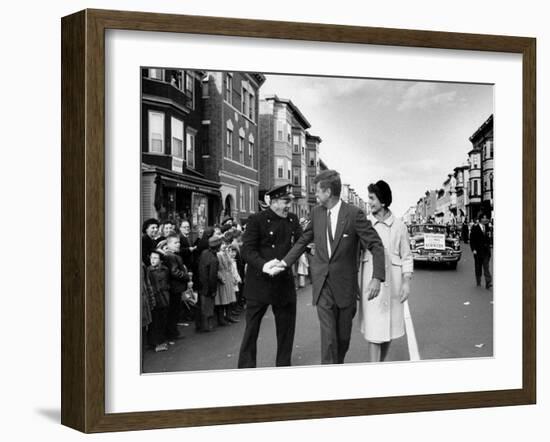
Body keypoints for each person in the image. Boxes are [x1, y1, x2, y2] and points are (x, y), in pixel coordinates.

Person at [275, 170, 385, 364]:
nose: (315, 194)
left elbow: (376, 245)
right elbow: (303, 241)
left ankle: (337, 366)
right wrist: (283, 263)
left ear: (327, 192)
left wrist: (377, 277)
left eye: (317, 191)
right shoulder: (316, 213)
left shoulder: (354, 214)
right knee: (328, 338)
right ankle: (329, 377)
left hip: (345, 288)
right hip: (322, 284)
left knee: (342, 339)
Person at [237, 184, 303, 368]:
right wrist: (264, 265)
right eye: (285, 201)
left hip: (283, 283)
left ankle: (283, 367)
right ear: (273, 202)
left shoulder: (292, 220)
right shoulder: (257, 220)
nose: (289, 205)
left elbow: (301, 243)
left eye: (289, 201)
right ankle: (245, 370)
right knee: (251, 330)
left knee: (286, 331)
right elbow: (246, 250)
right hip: (259, 283)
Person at [359, 180, 413, 362]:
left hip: (394, 284)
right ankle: (375, 369)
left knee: (389, 330)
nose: (369, 202)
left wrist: (406, 282)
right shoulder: (365, 224)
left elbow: (406, 257)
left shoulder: (399, 226)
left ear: (382, 201)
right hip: (371, 282)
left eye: (372, 198)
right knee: (374, 331)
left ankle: (380, 364)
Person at [163, 233, 191, 343]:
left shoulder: (172, 255)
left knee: (174, 311)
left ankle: (173, 332)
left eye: (178, 242)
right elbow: (174, 272)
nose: (178, 244)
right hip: (175, 287)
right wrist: (186, 276)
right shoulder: (171, 256)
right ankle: (172, 333)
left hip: (175, 287)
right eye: (175, 243)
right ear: (169, 244)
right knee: (173, 311)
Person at [146, 250, 171, 352]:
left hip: (164, 297)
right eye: (151, 258)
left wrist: (166, 289)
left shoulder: (165, 269)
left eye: (155, 258)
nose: (153, 260)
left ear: (161, 260)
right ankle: (155, 343)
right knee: (155, 321)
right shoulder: (148, 270)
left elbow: (167, 282)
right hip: (155, 298)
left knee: (163, 319)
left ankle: (161, 340)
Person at [198, 235, 222, 332]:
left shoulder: (204, 253)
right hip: (208, 286)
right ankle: (207, 326)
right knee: (209, 307)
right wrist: (213, 290)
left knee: (203, 306)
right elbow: (212, 277)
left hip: (201, 283)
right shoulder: (214, 259)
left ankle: (202, 325)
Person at [214, 237, 239, 325]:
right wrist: (221, 277)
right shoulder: (218, 255)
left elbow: (230, 266)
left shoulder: (225, 253)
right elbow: (217, 269)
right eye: (222, 244)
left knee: (229, 298)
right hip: (223, 278)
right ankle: (221, 319)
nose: (224, 246)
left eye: (224, 244)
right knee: (222, 299)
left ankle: (228, 316)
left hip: (228, 277)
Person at [470, 211, 493, 289]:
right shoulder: (475, 227)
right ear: (480, 219)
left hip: (486, 251)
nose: (485, 219)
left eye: (486, 217)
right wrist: (473, 249)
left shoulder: (487, 227)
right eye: (484, 217)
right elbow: (472, 240)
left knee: (486, 267)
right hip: (478, 252)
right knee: (478, 267)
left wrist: (489, 246)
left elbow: (488, 238)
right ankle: (478, 281)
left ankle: (488, 282)